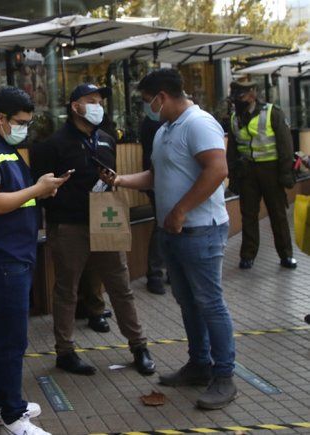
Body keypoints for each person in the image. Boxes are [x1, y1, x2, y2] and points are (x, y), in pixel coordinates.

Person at [102, 69, 236, 410]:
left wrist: (180, 210)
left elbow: (217, 170)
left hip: (200, 230)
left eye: (148, 101)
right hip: (174, 233)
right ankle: (199, 365)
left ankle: (224, 377)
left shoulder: (199, 123)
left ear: (162, 96)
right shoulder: (165, 131)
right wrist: (122, 180)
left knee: (210, 303)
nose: (147, 108)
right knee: (188, 303)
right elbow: (156, 175)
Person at [0, 85, 68, 435]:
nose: (25, 127)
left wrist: (40, 189)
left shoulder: (6, 149)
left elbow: (16, 197)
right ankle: (12, 415)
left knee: (7, 335)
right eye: (20, 122)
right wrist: (37, 189)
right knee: (11, 339)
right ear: (1, 118)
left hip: (15, 255)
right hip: (1, 259)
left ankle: (1, 403)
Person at [30, 83, 155, 377]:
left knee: (121, 286)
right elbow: (41, 188)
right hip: (68, 226)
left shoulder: (107, 140)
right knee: (66, 290)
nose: (98, 105)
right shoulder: (53, 144)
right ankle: (65, 351)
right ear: (75, 107)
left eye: (100, 101)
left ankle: (139, 346)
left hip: (106, 221)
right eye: (91, 101)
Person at [227, 79, 297, 270]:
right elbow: (232, 150)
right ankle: (247, 255)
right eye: (236, 97)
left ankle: (286, 255)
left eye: (241, 96)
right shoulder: (235, 118)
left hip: (271, 170)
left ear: (252, 93)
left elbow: (285, 145)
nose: (238, 101)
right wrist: (233, 177)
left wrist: (285, 173)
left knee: (278, 214)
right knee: (248, 215)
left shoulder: (271, 112)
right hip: (247, 172)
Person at [140, 116, 167, 294]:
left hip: (165, 182)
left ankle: (166, 271)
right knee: (161, 225)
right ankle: (155, 274)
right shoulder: (155, 124)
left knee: (167, 226)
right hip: (157, 182)